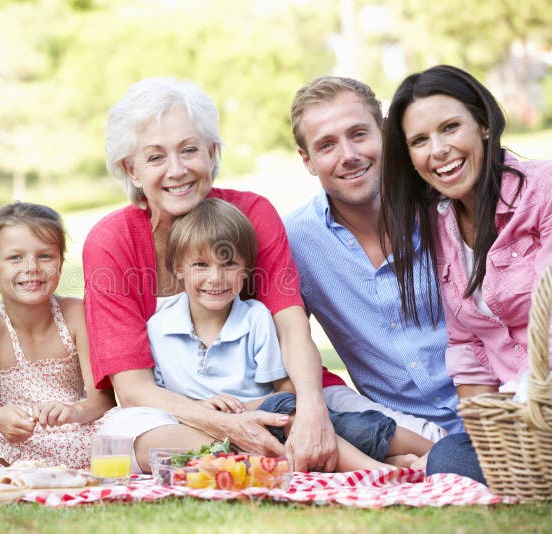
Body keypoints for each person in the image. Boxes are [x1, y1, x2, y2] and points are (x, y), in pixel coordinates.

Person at [83, 76, 345, 475]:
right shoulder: (111, 242)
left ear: (212, 152)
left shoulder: (252, 215)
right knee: (131, 440)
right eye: (155, 157)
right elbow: (133, 389)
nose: (177, 170)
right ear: (130, 170)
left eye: (189, 150)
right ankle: (288, 458)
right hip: (175, 412)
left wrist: (312, 409)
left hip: (275, 397)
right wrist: (228, 426)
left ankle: (311, 452)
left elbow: (291, 325)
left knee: (353, 419)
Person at [150, 198, 432, 470]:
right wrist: (203, 411)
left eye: (229, 264)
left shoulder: (255, 318)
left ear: (246, 271)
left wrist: (240, 408)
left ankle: (430, 450)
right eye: (201, 265)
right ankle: (377, 470)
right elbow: (158, 399)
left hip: (273, 420)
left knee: (348, 425)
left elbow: (285, 391)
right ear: (178, 269)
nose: (216, 278)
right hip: (208, 433)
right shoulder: (159, 328)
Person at [380, 64, 552, 483]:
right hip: (517, 419)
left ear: (482, 124)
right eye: (420, 140)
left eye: (450, 127)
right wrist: (486, 431)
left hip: (548, 399)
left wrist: (526, 405)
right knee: (450, 458)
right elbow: (466, 340)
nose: (438, 150)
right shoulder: (438, 221)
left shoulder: (547, 189)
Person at [283, 76, 463, 443]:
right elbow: (280, 348)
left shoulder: (445, 204)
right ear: (308, 160)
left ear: (384, 133)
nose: (349, 155)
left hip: (495, 405)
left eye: (359, 134)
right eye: (327, 145)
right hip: (406, 432)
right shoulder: (295, 242)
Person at [0, 202, 116, 469]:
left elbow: (102, 399)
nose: (31, 267)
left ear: (60, 263)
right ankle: (10, 471)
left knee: (129, 427)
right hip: (8, 443)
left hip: (76, 434)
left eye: (45, 256)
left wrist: (73, 411)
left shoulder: (76, 314)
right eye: (15, 258)